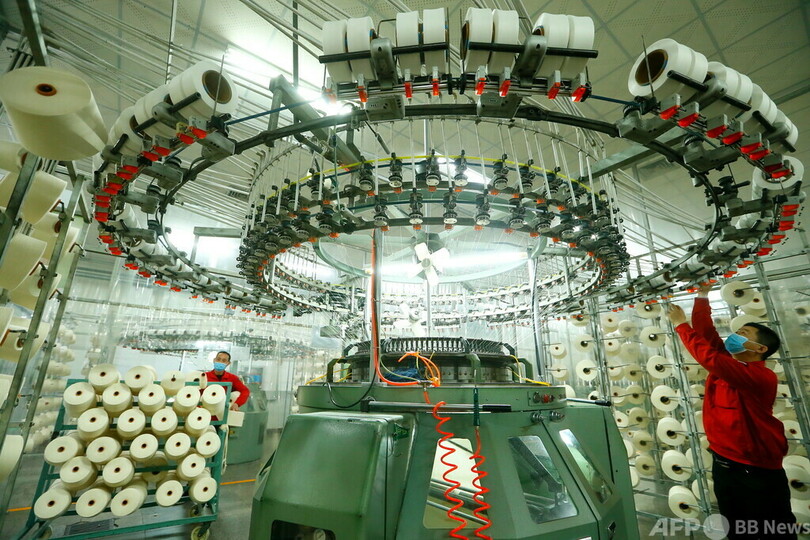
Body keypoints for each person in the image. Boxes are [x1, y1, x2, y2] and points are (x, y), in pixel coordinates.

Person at [668, 284, 797, 539]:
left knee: (772, 531)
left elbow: (709, 358)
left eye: (743, 333)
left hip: (755, 470)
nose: (735, 336)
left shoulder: (760, 377)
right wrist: (702, 295)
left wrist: (681, 325)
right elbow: (705, 334)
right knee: (736, 529)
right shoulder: (730, 365)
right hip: (724, 464)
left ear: (760, 349)